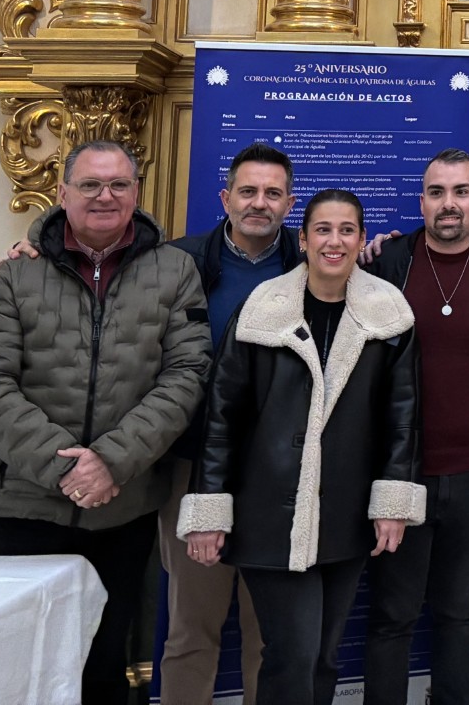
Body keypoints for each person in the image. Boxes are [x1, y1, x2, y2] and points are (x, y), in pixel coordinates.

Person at [0, 139, 211, 705]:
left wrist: (112, 462)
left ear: (136, 193)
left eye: (119, 184)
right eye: (91, 184)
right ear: (62, 192)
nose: (105, 196)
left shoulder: (174, 271)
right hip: (27, 505)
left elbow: (186, 377)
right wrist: (68, 470)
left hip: (122, 509)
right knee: (17, 668)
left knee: (103, 667)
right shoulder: (14, 277)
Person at [178, 189, 424, 705]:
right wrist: (208, 509)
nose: (335, 242)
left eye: (347, 230)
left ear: (361, 239)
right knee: (292, 654)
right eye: (323, 230)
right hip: (268, 513)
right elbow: (222, 415)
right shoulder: (263, 308)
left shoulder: (388, 312)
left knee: (324, 656)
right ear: (303, 238)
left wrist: (392, 504)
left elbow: (402, 418)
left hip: (346, 513)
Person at [362, 149, 469, 705]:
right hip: (403, 477)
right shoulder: (387, 263)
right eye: (436, 192)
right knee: (393, 616)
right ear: (421, 200)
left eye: (459, 192)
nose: (447, 204)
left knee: (457, 612)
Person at [160, 141, 302, 705]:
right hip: (194, 467)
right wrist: (35, 248)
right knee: (191, 627)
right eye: (248, 191)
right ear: (226, 198)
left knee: (271, 633)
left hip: (279, 475)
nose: (259, 203)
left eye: (272, 193)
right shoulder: (178, 261)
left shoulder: (312, 262)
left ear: (290, 203)